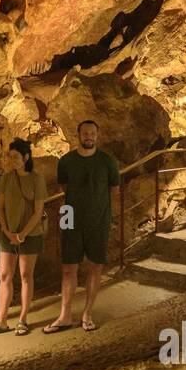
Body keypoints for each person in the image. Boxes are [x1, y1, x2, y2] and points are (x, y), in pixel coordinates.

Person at [44, 119, 120, 334]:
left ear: (97, 135)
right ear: (78, 135)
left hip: (99, 220)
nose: (89, 136)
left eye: (92, 133)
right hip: (70, 217)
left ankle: (87, 313)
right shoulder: (66, 161)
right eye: (85, 133)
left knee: (95, 266)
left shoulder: (107, 161)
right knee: (68, 267)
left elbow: (114, 188)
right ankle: (65, 315)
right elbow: (65, 186)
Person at [0, 138, 46, 336]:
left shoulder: (36, 179)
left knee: (26, 276)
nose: (12, 161)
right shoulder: (7, 178)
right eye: (10, 157)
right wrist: (7, 230)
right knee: (4, 275)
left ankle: (23, 319)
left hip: (30, 234)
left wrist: (21, 235)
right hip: (8, 234)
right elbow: (0, 207)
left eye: (16, 157)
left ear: (26, 157)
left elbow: (38, 211)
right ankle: (1, 320)